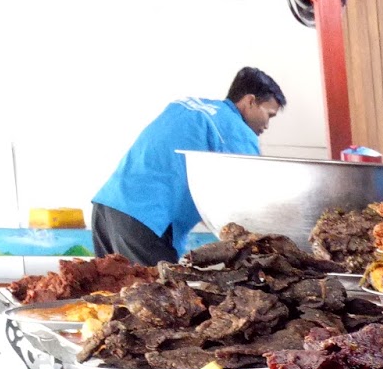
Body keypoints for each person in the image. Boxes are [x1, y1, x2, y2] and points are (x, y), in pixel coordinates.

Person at [91, 68, 286, 265]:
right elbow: (249, 202)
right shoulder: (235, 129)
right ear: (250, 101)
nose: (267, 126)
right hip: (145, 219)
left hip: (107, 207)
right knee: (158, 293)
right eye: (269, 115)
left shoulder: (186, 107)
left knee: (109, 289)